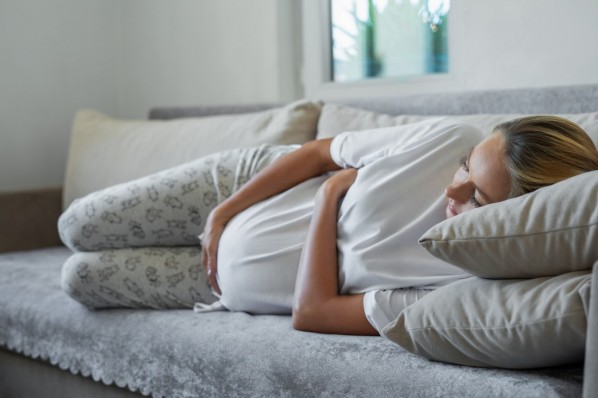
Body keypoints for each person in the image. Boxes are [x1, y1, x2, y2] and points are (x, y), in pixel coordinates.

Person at [59, 116, 598, 336]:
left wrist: (332, 199)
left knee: (80, 279)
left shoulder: (465, 287)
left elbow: (313, 313)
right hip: (245, 187)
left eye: (476, 197)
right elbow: (320, 154)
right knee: (78, 224)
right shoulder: (445, 137)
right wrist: (223, 211)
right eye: (465, 168)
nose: (451, 191)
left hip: (218, 288)